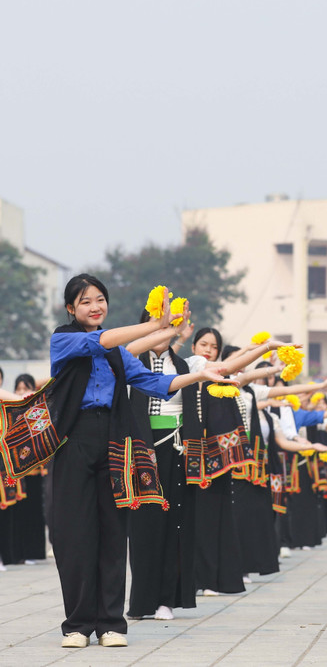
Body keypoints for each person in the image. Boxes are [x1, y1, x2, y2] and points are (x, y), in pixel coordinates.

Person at [47, 276, 232, 648]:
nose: (95, 306)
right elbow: (101, 341)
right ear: (71, 309)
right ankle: (79, 625)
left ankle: (112, 624)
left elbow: (154, 383)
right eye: (86, 302)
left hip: (114, 440)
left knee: (114, 533)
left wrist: (198, 374)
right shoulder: (63, 339)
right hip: (73, 440)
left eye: (100, 299)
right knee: (76, 537)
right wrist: (157, 325)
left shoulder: (117, 356)